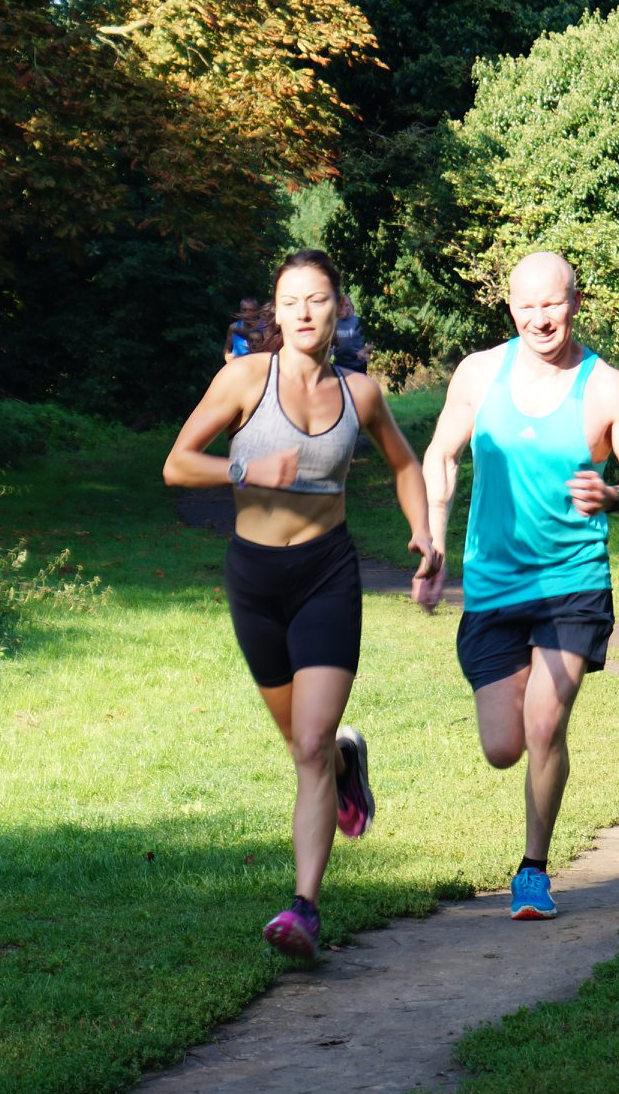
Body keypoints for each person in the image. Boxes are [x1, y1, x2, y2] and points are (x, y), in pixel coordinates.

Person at [164, 249, 442, 959]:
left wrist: (421, 532)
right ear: (275, 311)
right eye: (291, 301)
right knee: (303, 747)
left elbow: (405, 463)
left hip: (326, 572)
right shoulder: (242, 379)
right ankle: (349, 764)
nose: (305, 313)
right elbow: (176, 463)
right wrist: (245, 467)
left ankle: (303, 909)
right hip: (254, 577)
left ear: (338, 308)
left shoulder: (362, 394)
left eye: (318, 300)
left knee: (309, 745)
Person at [416, 252, 619, 920]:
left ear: (575, 303)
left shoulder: (607, 388)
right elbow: (439, 455)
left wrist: (613, 495)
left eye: (551, 304)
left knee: (545, 722)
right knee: (503, 747)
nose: (539, 318)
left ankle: (532, 869)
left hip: (571, 582)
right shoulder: (478, 374)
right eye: (526, 306)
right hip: (493, 584)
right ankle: (527, 813)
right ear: (509, 309)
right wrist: (433, 539)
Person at [332, 294, 369, 376]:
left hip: (357, 366)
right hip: (340, 366)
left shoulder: (359, 322)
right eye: (340, 305)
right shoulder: (334, 323)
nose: (343, 308)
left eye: (346, 305)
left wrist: (364, 351)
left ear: (350, 306)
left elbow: (374, 341)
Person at [223, 296, 261, 362]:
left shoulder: (264, 328)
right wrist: (227, 356)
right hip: (237, 367)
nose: (247, 313)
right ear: (240, 311)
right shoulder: (233, 327)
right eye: (244, 310)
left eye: (251, 310)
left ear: (257, 311)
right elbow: (227, 348)